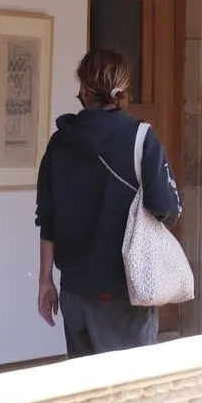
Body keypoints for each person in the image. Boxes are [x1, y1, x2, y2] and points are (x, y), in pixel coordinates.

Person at [34, 47, 182, 358]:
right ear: (122, 88)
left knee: (84, 382)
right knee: (133, 381)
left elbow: (47, 219)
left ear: (84, 90)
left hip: (75, 289)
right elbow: (167, 209)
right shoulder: (141, 139)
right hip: (125, 289)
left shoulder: (60, 143)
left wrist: (45, 280)